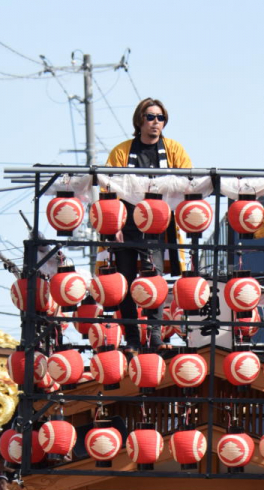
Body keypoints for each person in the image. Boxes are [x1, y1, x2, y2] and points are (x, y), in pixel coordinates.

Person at [105, 99, 191, 349]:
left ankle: (155, 337)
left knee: (154, 279)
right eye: (151, 117)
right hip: (126, 225)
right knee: (125, 281)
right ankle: (132, 338)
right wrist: (114, 225)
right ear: (139, 120)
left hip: (157, 226)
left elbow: (188, 181)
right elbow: (108, 186)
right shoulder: (121, 151)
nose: (156, 122)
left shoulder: (174, 149)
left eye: (160, 118)